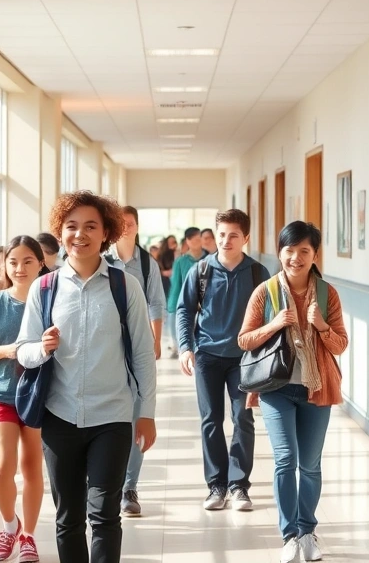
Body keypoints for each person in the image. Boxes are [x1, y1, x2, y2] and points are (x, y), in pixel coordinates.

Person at [17, 190, 158, 563]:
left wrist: (146, 413)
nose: (80, 234)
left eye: (90, 226)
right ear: (60, 232)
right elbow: (23, 351)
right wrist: (42, 348)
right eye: (71, 226)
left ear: (106, 232)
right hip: (59, 416)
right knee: (68, 518)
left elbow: (144, 354)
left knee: (105, 515)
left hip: (111, 416)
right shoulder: (44, 288)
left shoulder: (124, 285)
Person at [237, 221, 347, 563]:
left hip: (317, 388)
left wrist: (322, 325)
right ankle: (289, 536)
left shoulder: (328, 294)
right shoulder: (266, 292)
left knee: (310, 465)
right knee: (286, 460)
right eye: (289, 250)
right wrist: (275, 323)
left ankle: (308, 531)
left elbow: (340, 345)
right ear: (280, 251)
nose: (295, 258)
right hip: (277, 389)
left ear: (315, 254)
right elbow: (244, 339)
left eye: (304, 251)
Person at [176, 210, 270, 512]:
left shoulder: (258, 274)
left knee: (243, 419)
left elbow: (270, 316)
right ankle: (216, 485)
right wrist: (185, 347)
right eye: (221, 234)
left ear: (246, 238)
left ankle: (239, 486)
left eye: (233, 235)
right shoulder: (201, 271)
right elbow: (185, 310)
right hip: (207, 357)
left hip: (245, 359)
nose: (225, 240)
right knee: (210, 420)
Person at [0, 236, 49, 561]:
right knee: (3, 467)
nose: (19, 268)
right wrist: (12, 351)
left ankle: (29, 536)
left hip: (38, 395)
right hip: (0, 395)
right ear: (4, 265)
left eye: (27, 261)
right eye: (13, 262)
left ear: (40, 263)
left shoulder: (50, 300)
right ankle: (10, 526)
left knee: (32, 466)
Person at [104, 206, 166, 517]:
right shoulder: (103, 260)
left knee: (137, 415)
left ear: (138, 226)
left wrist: (155, 341)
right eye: (121, 223)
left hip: (137, 347)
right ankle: (106, 484)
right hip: (107, 348)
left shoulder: (146, 262)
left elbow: (156, 303)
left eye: (131, 223)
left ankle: (129, 486)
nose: (126, 227)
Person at [166, 228, 205, 357]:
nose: (198, 242)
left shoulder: (209, 258)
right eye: (194, 240)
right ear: (187, 241)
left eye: (200, 239)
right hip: (187, 303)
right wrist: (173, 306)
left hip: (205, 305)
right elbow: (176, 286)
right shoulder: (181, 262)